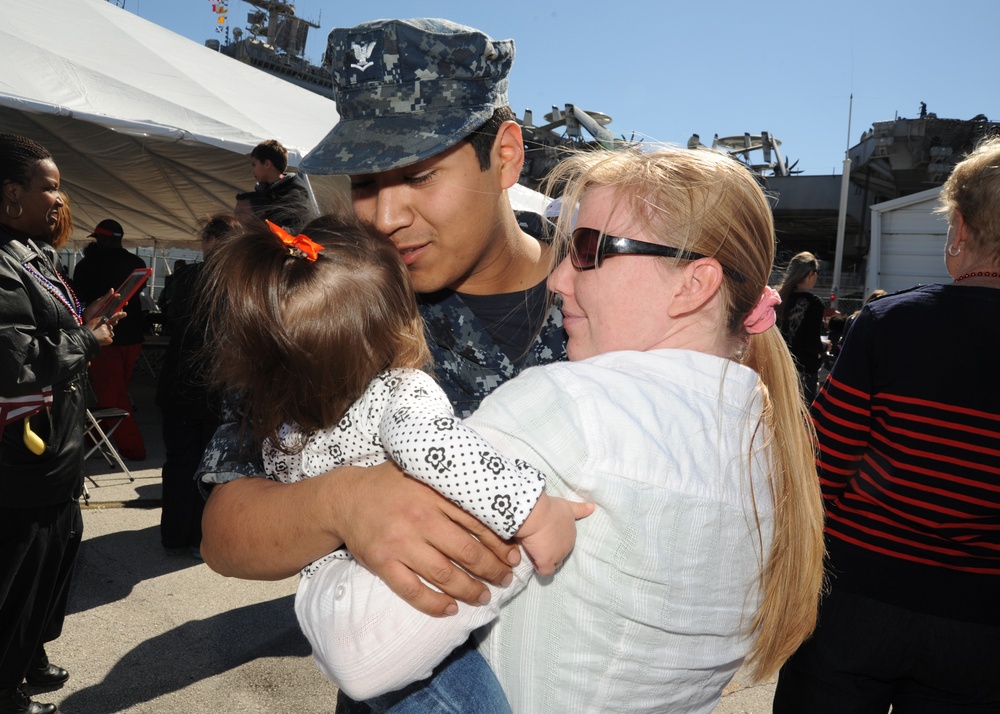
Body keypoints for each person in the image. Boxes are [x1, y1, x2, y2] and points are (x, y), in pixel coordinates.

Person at [304, 146, 826, 712]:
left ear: (693, 285)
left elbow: (361, 653)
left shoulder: (568, 408)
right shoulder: (768, 446)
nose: (556, 280)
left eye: (586, 251)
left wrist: (331, 539)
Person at [198, 18, 564, 615]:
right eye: (365, 182)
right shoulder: (341, 308)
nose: (386, 215)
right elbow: (224, 531)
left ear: (505, 157)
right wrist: (343, 503)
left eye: (420, 175)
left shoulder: (618, 284)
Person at [198, 215, 589, 712]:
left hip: (329, 603)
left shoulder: (284, 420)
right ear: (404, 318)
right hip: (394, 600)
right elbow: (429, 443)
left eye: (422, 175)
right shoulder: (399, 389)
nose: (389, 212)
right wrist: (531, 508)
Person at [773, 137, 1000, 712]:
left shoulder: (891, 322)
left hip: (858, 594)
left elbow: (823, 463)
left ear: (960, 230)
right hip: (981, 621)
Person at [0, 133, 119, 714]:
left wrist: (84, 320)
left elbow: (49, 329)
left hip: (56, 448)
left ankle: (27, 655)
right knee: (18, 571)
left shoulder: (30, 253)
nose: (59, 199)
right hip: (22, 452)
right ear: (10, 194)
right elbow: (16, 364)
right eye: (49, 187)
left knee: (55, 556)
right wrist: (86, 340)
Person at [154, 214, 242, 559]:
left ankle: (174, 537)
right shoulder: (240, 281)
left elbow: (170, 316)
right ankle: (200, 539)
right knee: (211, 467)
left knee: (178, 464)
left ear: (209, 241)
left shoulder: (187, 277)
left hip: (179, 384)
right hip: (218, 387)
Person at [72, 218, 148, 460]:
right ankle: (94, 436)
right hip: (134, 337)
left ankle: (133, 449)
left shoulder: (85, 266)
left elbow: (79, 301)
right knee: (117, 391)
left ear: (103, 239)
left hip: (105, 338)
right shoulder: (137, 262)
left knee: (112, 394)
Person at [234, 139, 315, 234]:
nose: (253, 170)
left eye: (254, 165)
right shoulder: (265, 191)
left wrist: (264, 227)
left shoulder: (295, 192)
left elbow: (297, 228)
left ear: (267, 164)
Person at [776, 250, 825, 402]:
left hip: (778, 366)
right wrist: (824, 348)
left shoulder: (778, 298)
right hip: (804, 369)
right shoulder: (814, 303)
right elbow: (811, 342)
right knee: (802, 419)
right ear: (811, 273)